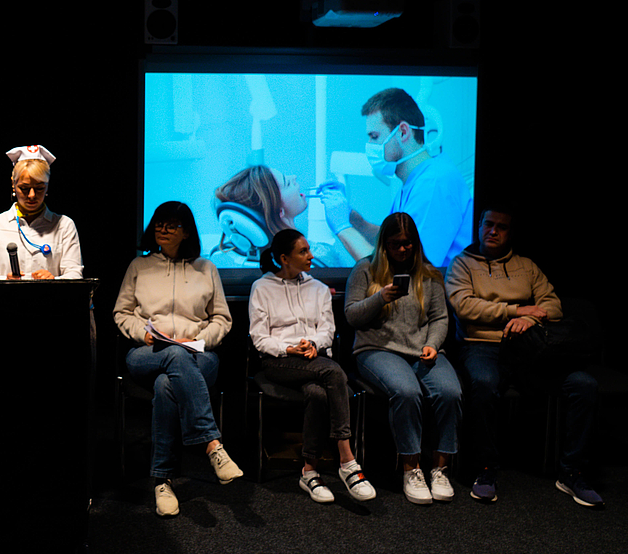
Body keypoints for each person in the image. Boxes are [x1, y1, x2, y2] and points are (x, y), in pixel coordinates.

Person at [446, 208, 602, 507]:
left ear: (511, 233)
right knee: (483, 383)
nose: (493, 231)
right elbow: (465, 307)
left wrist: (528, 320)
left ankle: (572, 472)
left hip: (529, 347)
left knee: (584, 386)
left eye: (501, 227)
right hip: (482, 345)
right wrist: (516, 310)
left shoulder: (526, 266)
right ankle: (485, 469)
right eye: (488, 224)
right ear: (479, 226)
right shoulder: (462, 264)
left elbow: (553, 306)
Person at [114, 201, 242, 516]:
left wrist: (198, 341)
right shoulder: (139, 266)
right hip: (147, 353)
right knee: (172, 354)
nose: (163, 229)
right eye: (159, 223)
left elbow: (222, 319)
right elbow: (122, 312)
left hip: (198, 354)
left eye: (172, 224)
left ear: (186, 232)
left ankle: (161, 480)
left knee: (165, 386)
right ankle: (212, 445)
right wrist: (141, 333)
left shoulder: (206, 268)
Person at [249, 228, 375, 504]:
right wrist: (288, 348)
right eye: (303, 251)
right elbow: (259, 338)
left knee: (317, 392)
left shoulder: (318, 288)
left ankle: (309, 472)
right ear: (284, 258)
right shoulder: (262, 287)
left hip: (313, 359)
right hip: (278, 361)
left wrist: (313, 344)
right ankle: (347, 459)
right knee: (333, 371)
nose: (311, 256)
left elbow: (328, 330)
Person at [345, 212, 462, 504]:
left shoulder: (428, 273)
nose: (402, 249)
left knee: (450, 392)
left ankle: (440, 468)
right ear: (384, 244)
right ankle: (412, 468)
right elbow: (352, 316)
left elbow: (439, 318)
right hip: (378, 349)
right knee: (406, 391)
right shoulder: (365, 270)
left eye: (407, 243)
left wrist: (433, 344)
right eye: (395, 244)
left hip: (421, 349)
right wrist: (379, 298)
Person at [338, 88, 472, 271]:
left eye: (374, 137)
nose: (369, 146)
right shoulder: (412, 183)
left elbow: (407, 267)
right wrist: (357, 223)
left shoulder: (433, 184)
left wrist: (342, 229)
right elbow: (393, 244)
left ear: (403, 132)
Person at [210, 165, 368, 267]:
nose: (294, 177)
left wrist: (351, 217)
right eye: (287, 183)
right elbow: (375, 272)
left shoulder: (223, 256)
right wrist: (343, 227)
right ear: (279, 211)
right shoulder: (319, 258)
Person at [0, 145, 83, 281]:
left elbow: (74, 274)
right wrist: (6, 282)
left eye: (39, 188)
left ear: (48, 186)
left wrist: (53, 281)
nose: (32, 195)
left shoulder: (64, 225)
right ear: (13, 184)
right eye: (24, 188)